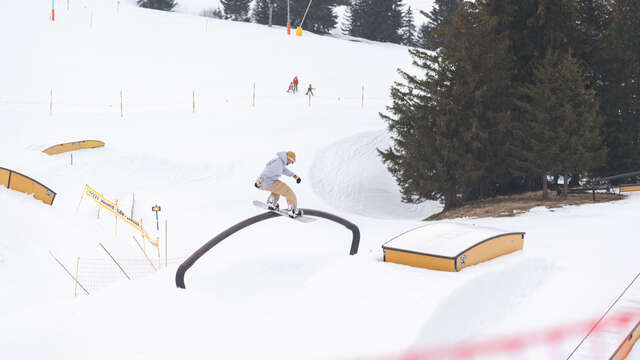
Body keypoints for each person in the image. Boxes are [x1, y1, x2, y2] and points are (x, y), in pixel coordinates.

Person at [254, 151, 303, 218]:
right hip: (266, 182)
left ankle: (272, 202)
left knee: (277, 189)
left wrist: (295, 176)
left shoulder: (280, 162)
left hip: (269, 182)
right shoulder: (278, 164)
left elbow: (285, 171)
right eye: (291, 162)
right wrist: (260, 181)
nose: (290, 163)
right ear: (289, 159)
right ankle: (292, 210)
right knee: (288, 192)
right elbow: (267, 172)